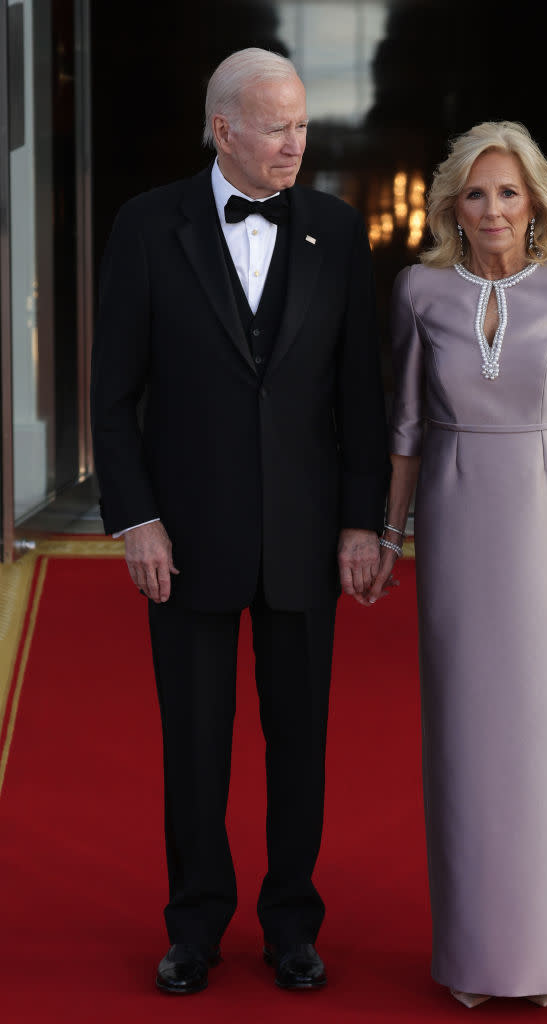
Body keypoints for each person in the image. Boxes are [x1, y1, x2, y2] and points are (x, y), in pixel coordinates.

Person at [91, 47, 389, 996]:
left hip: (306, 539)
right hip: (184, 539)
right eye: (275, 126)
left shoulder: (340, 233)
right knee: (195, 744)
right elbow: (112, 394)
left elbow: (361, 397)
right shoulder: (146, 227)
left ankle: (293, 924)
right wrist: (135, 517)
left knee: (299, 741)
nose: (295, 143)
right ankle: (194, 927)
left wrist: (362, 523)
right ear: (223, 128)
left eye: (302, 124)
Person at [368, 121, 547, 1008]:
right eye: (478, 193)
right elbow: (405, 430)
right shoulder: (419, 291)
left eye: (509, 193)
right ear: (454, 203)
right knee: (467, 749)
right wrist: (386, 534)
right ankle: (476, 958)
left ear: (535, 207)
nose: (492, 209)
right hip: (457, 539)